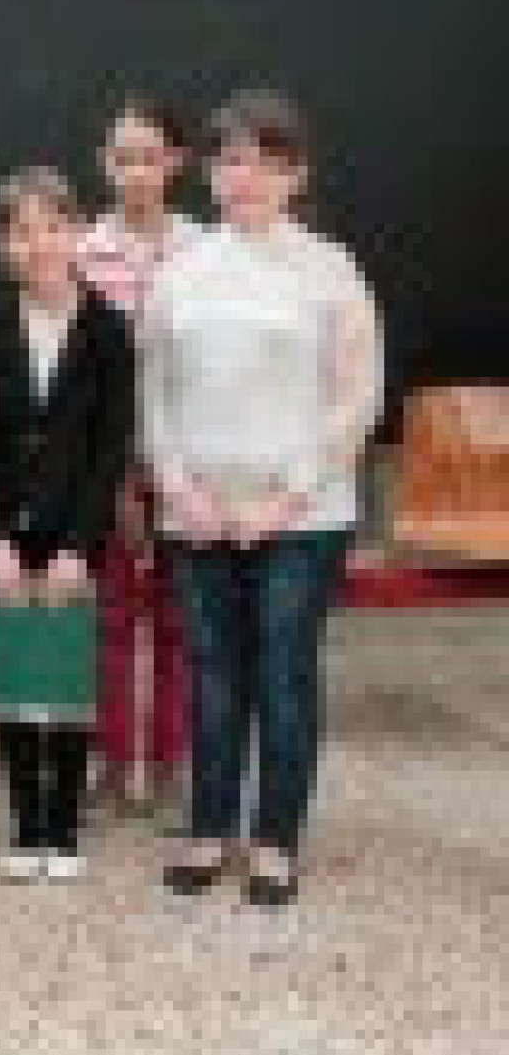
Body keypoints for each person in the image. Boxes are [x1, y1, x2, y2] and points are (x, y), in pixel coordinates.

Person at [145, 91, 382, 907]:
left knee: (284, 675)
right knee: (212, 677)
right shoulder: (180, 270)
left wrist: (285, 499)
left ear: (296, 174)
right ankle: (209, 828)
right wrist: (179, 486)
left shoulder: (330, 268)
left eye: (265, 162)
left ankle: (276, 838)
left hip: (301, 518)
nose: (245, 177)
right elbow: (155, 391)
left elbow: (356, 397)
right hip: (198, 514)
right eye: (231, 160)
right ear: (211, 172)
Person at [0, 169, 135, 882]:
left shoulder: (107, 329)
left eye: (52, 227)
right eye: (21, 231)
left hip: (74, 532)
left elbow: (110, 447)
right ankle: (25, 822)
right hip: (9, 531)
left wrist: (80, 545)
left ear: (78, 233)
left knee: (65, 679)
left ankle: (63, 823)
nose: (38, 244)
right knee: (14, 670)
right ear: (1, 243)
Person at [76, 96, 204, 814]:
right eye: (122, 159)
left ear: (175, 162)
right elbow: (85, 377)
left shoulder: (204, 249)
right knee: (113, 617)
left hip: (189, 460)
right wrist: (118, 474)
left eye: (149, 158)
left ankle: (172, 758)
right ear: (105, 164)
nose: (136, 172)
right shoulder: (84, 253)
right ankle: (110, 753)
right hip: (108, 463)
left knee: (182, 618)